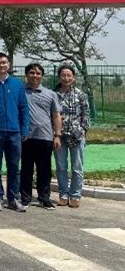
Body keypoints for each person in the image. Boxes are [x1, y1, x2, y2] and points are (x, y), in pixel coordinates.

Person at [0, 52, 30, 212]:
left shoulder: (17, 84)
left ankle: (13, 198)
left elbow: (23, 108)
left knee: (14, 167)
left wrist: (24, 129)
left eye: (4, 62)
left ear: (9, 65)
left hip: (14, 132)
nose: (1, 65)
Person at [21, 63, 62, 210]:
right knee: (26, 169)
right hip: (26, 137)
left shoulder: (50, 94)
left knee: (44, 170)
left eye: (38, 73)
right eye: (32, 73)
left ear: (42, 76)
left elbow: (56, 115)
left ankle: (44, 198)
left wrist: (57, 135)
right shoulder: (20, 92)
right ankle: (25, 198)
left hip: (45, 137)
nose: (35, 76)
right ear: (26, 75)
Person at [54, 65, 90, 208]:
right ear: (59, 77)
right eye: (63, 75)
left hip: (77, 136)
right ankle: (63, 195)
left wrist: (83, 130)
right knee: (61, 167)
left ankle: (75, 196)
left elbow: (86, 114)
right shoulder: (53, 94)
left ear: (74, 78)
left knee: (77, 167)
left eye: (69, 75)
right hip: (59, 136)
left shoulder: (80, 94)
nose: (66, 78)